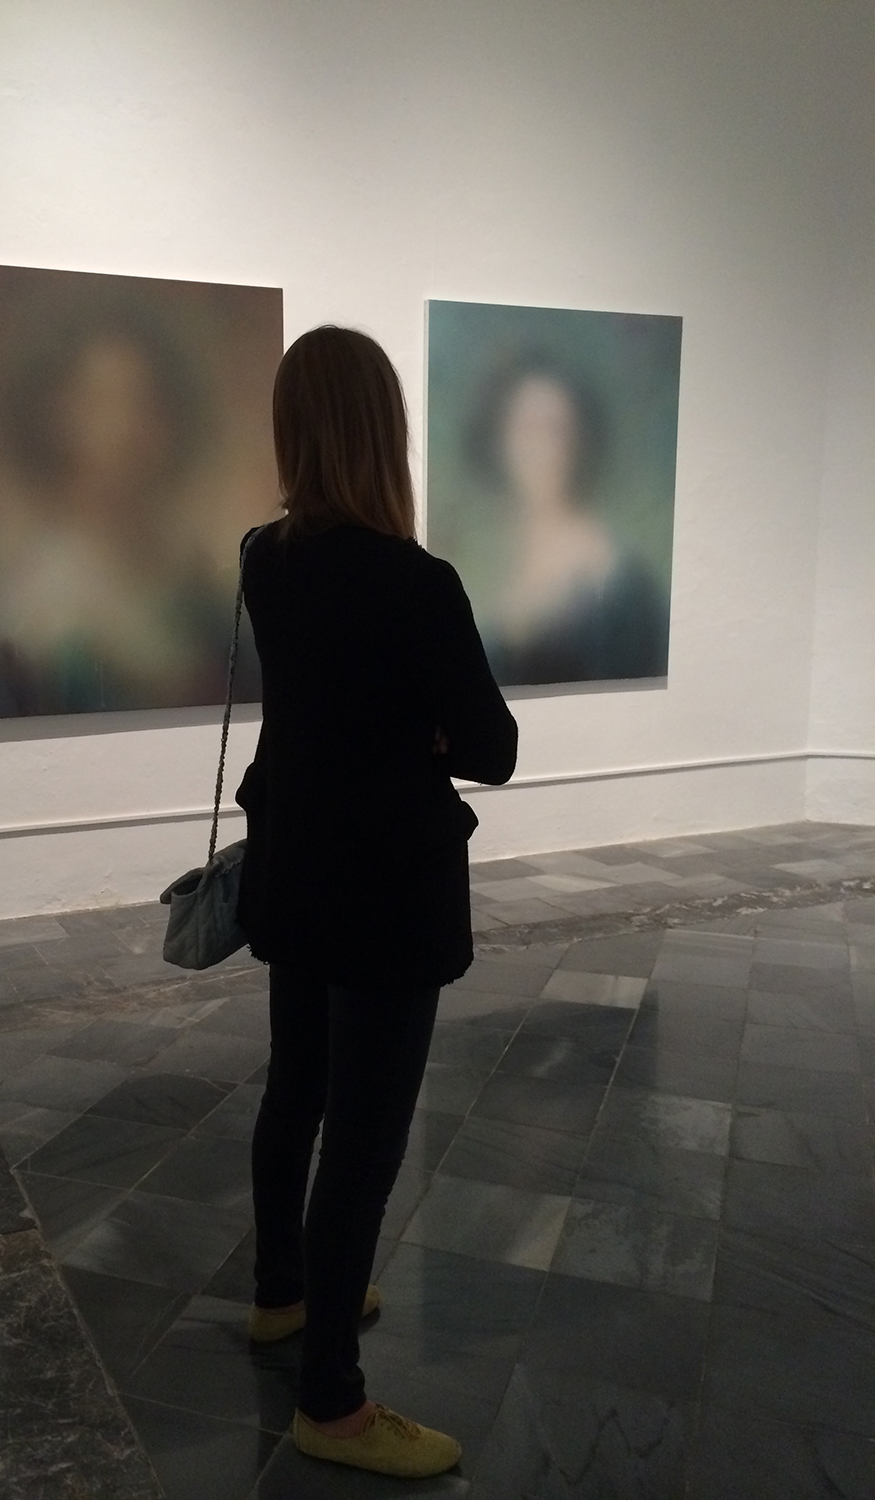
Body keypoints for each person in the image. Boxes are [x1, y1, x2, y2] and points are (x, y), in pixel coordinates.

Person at [233, 326, 518, 1478]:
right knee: (363, 1137)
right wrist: (429, 730)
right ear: (383, 431)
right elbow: (492, 747)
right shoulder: (417, 583)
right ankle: (333, 1403)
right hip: (388, 886)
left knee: (297, 1088)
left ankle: (283, 1293)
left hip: (294, 863)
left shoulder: (263, 558)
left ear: (294, 429)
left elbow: (327, 697)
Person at [463, 351, 668, 685]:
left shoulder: (621, 585)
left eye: (555, 430)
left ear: (581, 443)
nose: (541, 449)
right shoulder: (493, 565)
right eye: (527, 429)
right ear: (500, 443)